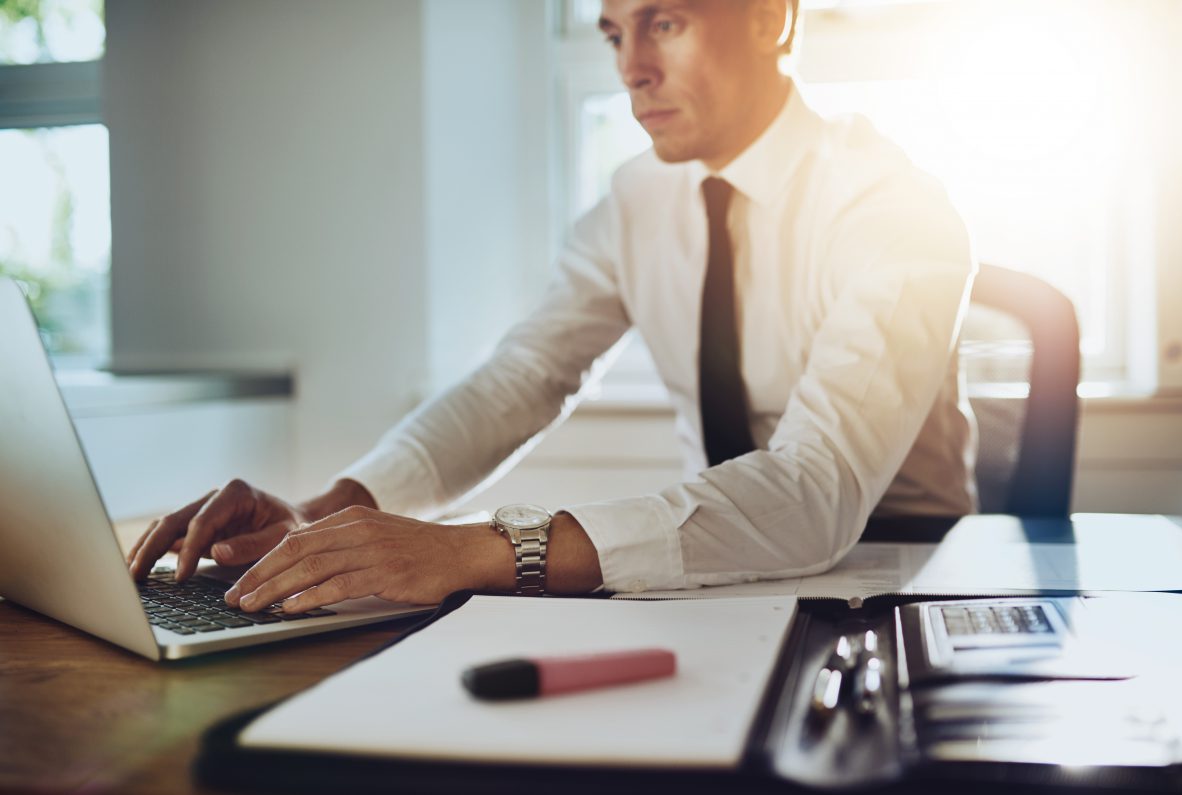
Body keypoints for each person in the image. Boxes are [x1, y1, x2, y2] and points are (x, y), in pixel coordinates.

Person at [127, 0, 976, 614]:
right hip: (717, 570)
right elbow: (522, 380)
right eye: (613, 32)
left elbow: (813, 489)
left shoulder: (890, 204)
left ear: (770, 18)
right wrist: (335, 508)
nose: (631, 68)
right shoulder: (637, 200)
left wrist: (478, 548)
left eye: (665, 22)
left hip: (899, 572)